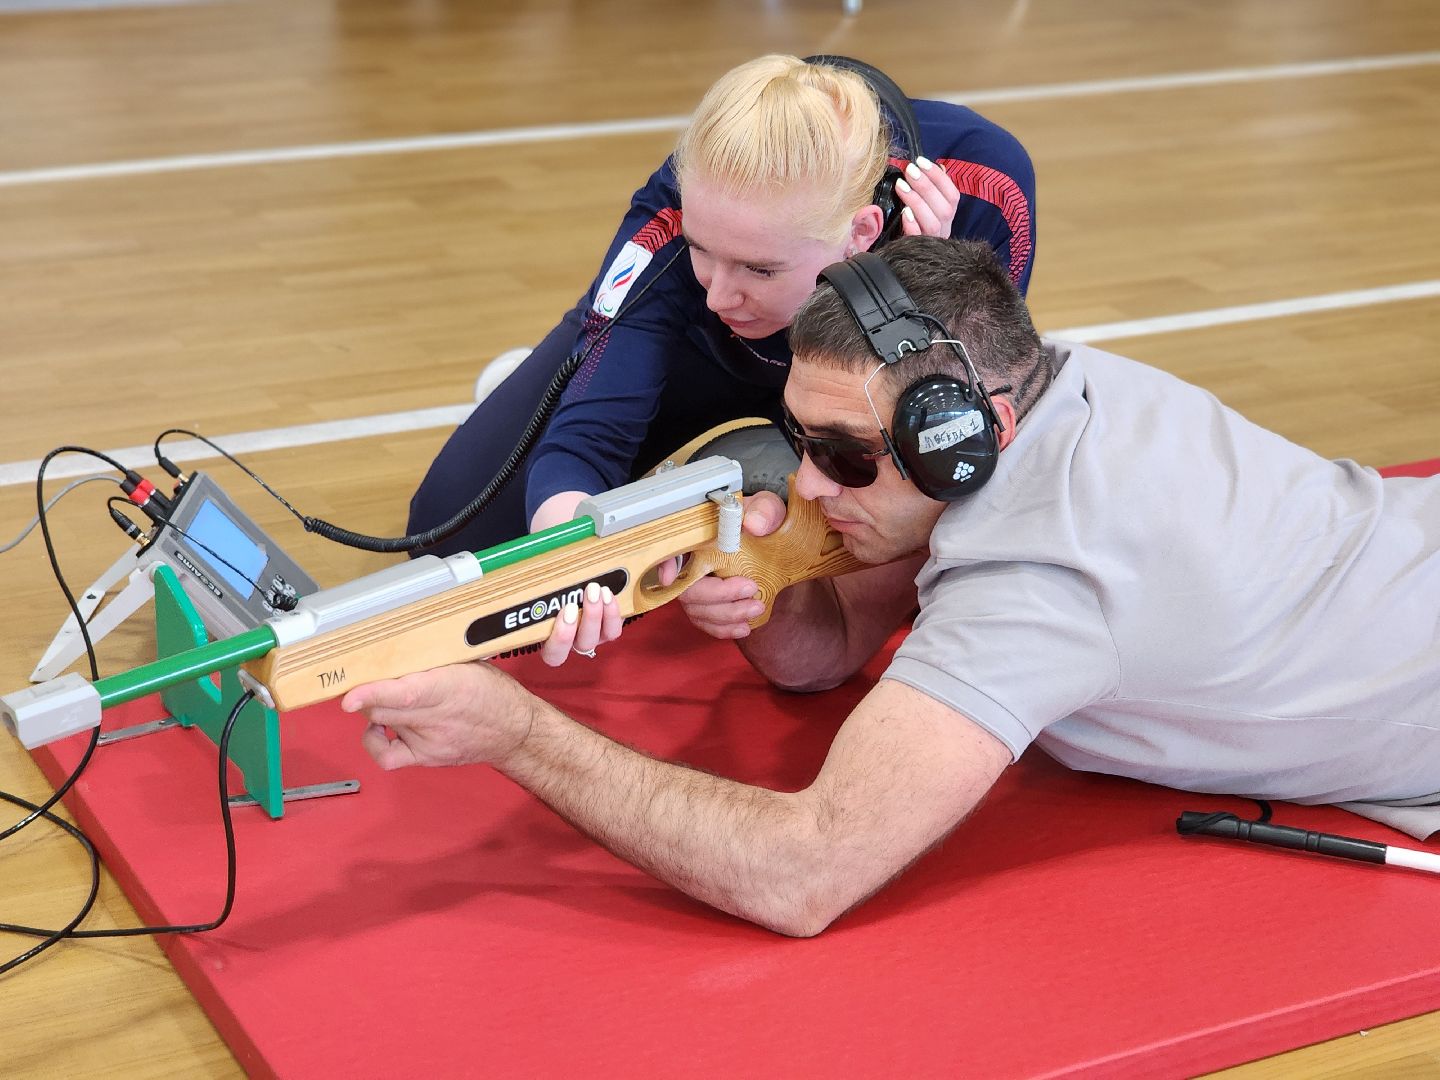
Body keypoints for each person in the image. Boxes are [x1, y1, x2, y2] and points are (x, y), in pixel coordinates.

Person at [342, 235, 1440, 937]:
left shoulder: (1043, 582)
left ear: (967, 435)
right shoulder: (1057, 388)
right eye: (801, 442)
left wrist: (519, 734)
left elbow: (798, 875)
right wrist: (749, 588)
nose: (813, 484)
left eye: (848, 456)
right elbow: (823, 656)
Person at [406, 53, 1036, 563]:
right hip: (696, 355)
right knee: (447, 534)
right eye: (702, 250)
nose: (719, 294)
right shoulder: (684, 202)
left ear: (864, 232)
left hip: (840, 396)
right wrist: (579, 557)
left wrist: (926, 294)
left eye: (760, 268)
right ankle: (553, 375)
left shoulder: (980, 184)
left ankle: (757, 449)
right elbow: (586, 445)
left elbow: (957, 435)